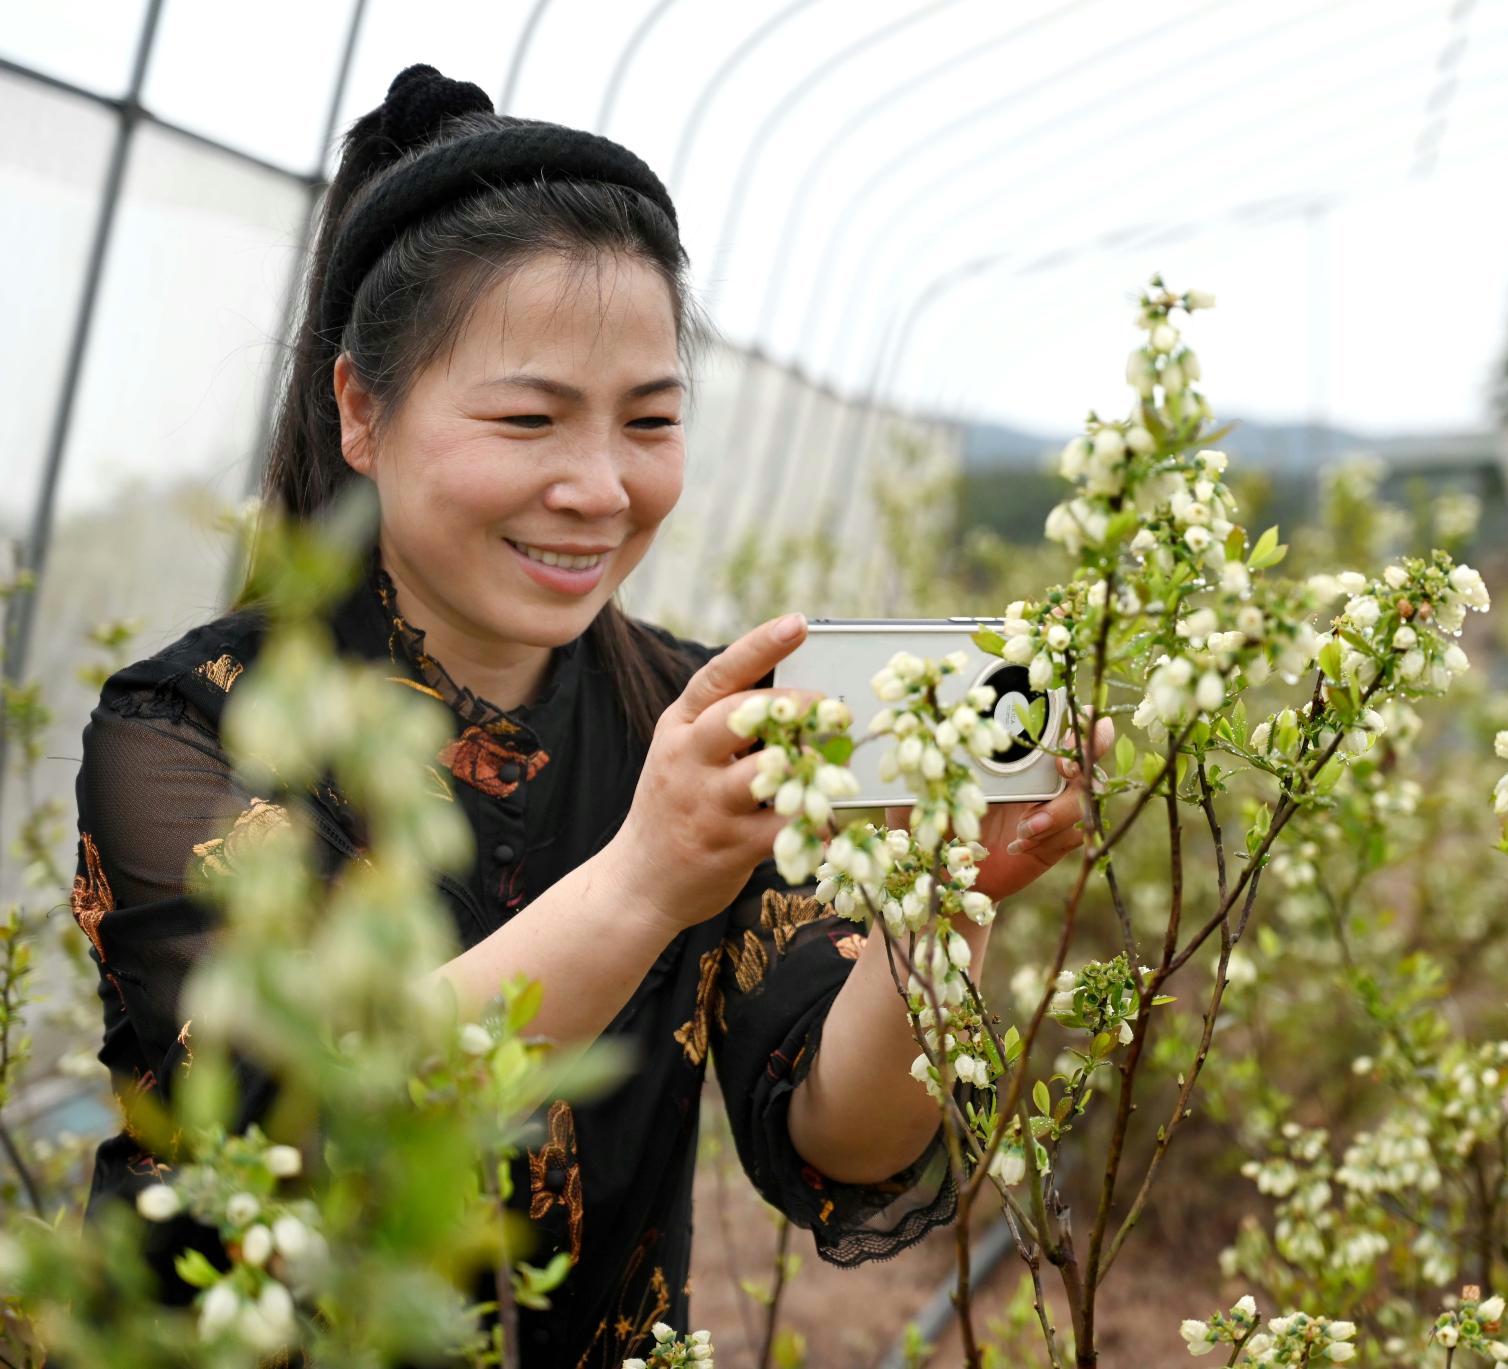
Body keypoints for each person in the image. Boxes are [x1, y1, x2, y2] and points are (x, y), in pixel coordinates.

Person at [66, 64, 1105, 1363]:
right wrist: (644, 880)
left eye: (651, 421)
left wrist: (934, 915)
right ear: (359, 411)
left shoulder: (698, 716)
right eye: (528, 418)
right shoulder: (182, 730)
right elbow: (295, 1133)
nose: (601, 487)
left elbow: (835, 1138)